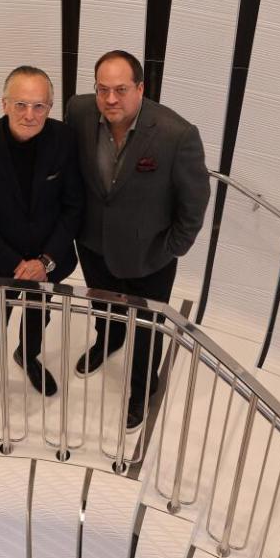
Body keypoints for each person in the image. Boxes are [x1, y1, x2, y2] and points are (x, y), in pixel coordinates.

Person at [65, 50, 210, 430]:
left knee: (147, 332)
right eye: (102, 89)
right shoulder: (78, 112)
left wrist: (169, 250)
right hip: (94, 247)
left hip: (150, 259)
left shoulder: (178, 135)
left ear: (141, 88)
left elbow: (193, 206)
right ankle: (107, 342)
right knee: (104, 311)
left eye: (121, 89)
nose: (110, 99)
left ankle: (142, 391)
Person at [0, 65, 83, 424]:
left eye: (40, 106)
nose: (30, 115)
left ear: (50, 105)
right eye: (21, 105)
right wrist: (18, 265)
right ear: (5, 103)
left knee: (38, 313)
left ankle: (27, 357)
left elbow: (74, 207)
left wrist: (44, 261)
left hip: (47, 259)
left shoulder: (65, 140)